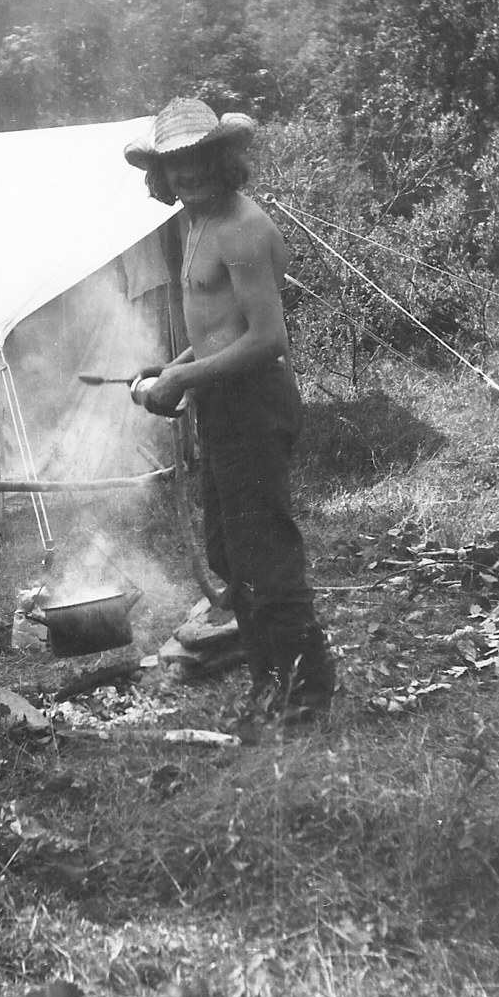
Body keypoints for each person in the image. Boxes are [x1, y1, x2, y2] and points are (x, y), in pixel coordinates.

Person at [125, 97, 335, 726]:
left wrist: (187, 375)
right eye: (173, 163)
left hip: (254, 404)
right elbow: (222, 329)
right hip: (222, 403)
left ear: (220, 159)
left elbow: (268, 338)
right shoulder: (195, 223)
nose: (186, 173)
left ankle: (304, 689)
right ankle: (279, 675)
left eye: (197, 158)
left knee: (262, 553)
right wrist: (175, 366)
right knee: (229, 553)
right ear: (161, 172)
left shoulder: (243, 227)